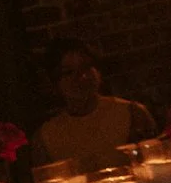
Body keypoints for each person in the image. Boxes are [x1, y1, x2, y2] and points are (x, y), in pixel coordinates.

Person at [34, 38, 153, 168]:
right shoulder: (46, 138)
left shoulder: (133, 114)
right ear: (55, 83)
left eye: (86, 67)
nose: (82, 77)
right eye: (69, 72)